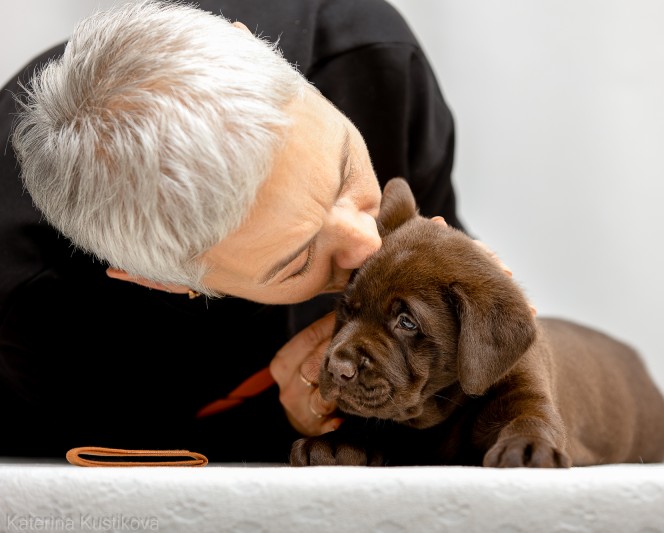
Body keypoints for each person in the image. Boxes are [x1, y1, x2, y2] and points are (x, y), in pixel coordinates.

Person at [0, 0, 464, 462]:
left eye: (346, 169)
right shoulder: (35, 312)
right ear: (158, 280)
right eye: (299, 261)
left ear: (250, 41)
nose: (368, 242)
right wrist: (297, 425)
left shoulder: (369, 55)